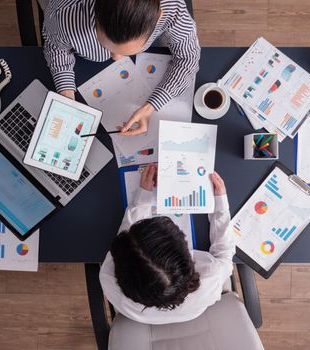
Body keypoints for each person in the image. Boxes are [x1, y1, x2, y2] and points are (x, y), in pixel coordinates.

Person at [99, 165, 237, 324]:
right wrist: (220, 206)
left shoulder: (108, 276)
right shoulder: (210, 278)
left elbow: (127, 240)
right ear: (188, 259)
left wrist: (143, 198)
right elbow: (225, 255)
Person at [43, 0, 200, 136]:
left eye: (125, 51)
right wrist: (66, 95)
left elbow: (188, 57)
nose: (115, 58)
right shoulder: (64, 14)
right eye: (108, 46)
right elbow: (56, 48)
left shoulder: (170, 6)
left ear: (159, 17)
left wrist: (151, 106)